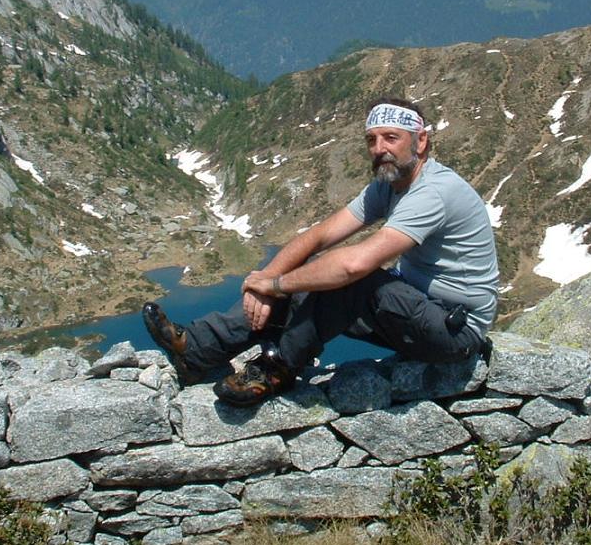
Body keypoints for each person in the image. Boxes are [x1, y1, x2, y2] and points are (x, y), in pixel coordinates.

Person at [142, 97, 499, 406]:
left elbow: (354, 265)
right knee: (311, 274)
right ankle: (197, 348)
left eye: (392, 138)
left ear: (420, 142)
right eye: (372, 140)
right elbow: (319, 236)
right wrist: (268, 280)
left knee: (352, 279)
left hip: (457, 334)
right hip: (416, 315)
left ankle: (277, 369)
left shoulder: (433, 192)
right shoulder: (387, 186)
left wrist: (279, 285)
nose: (379, 149)